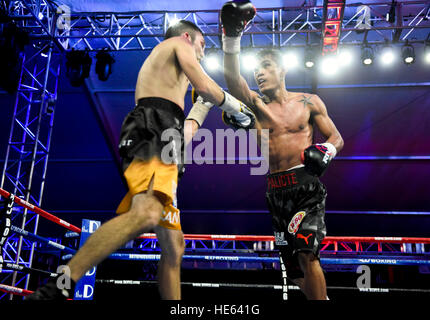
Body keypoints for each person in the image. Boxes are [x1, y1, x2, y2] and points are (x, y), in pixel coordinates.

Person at [26, 19, 254, 300]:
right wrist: (237, 108)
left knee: (174, 246)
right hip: (153, 126)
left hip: (166, 133)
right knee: (146, 213)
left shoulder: (172, 86)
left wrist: (203, 107)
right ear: (187, 37)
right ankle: (58, 286)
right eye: (203, 45)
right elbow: (206, 86)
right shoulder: (177, 43)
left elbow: (186, 132)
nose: (203, 53)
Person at [220, 1, 344, 300]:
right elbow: (232, 79)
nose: (259, 74)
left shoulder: (308, 102)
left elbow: (336, 137)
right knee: (295, 270)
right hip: (275, 193)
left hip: (306, 189)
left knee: (307, 254)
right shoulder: (256, 105)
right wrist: (232, 37)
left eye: (266, 67)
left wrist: (327, 149)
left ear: (282, 70)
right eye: (256, 69)